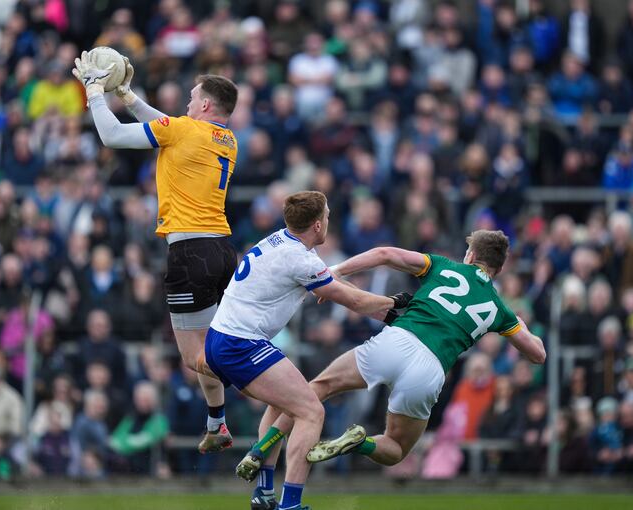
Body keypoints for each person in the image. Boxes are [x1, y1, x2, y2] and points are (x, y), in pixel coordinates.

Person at [237, 230, 545, 505]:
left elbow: (385, 254)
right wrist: (518, 323)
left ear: (472, 255)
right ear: (499, 268)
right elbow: (537, 355)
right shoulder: (499, 309)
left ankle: (261, 448)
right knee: (396, 449)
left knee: (316, 389)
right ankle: (359, 442)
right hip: (430, 369)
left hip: (397, 340)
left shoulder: (446, 267)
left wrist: (337, 270)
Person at [73, 51, 239, 454]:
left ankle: (270, 387)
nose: (185, 103)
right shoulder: (226, 138)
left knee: (196, 356)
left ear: (204, 105)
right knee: (209, 350)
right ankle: (217, 423)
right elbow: (167, 127)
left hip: (190, 254)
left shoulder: (183, 130)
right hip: (221, 250)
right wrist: (128, 98)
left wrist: (95, 91)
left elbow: (111, 137)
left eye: (191, 97)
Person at [206, 191, 407, 510]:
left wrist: (338, 286)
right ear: (317, 225)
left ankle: (264, 492)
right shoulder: (301, 260)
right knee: (312, 411)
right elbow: (354, 301)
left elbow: (336, 286)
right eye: (327, 215)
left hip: (223, 337)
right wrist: (397, 305)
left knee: (280, 406)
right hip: (240, 344)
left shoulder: (280, 241)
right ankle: (291, 503)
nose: (329, 219)